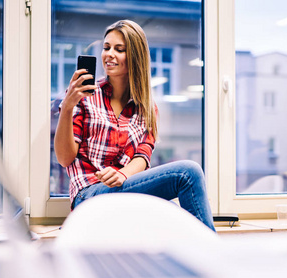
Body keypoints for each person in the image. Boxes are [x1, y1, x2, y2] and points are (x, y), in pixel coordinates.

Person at [54, 20, 215, 231]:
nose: (109, 54)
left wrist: (123, 174)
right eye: (106, 47)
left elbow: (142, 156)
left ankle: (198, 258)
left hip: (124, 189)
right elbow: (65, 158)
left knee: (172, 215)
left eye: (119, 49)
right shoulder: (83, 97)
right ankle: (214, 257)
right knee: (188, 173)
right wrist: (67, 108)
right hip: (89, 194)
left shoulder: (147, 108)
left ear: (135, 57)